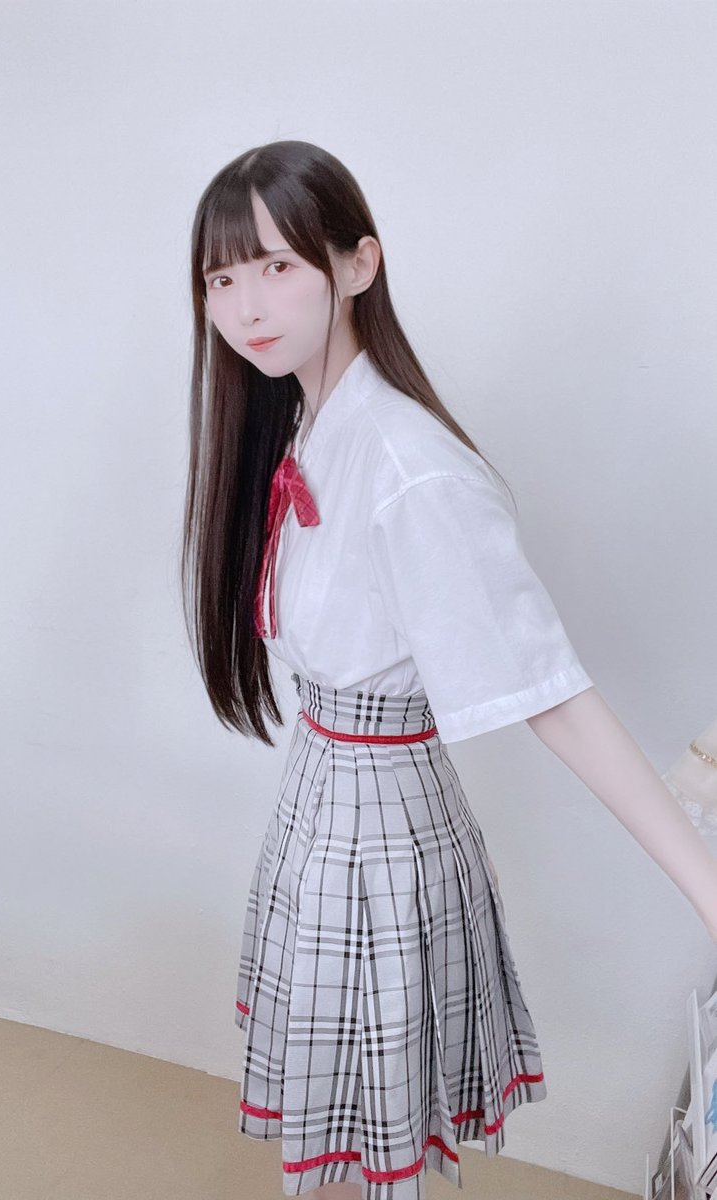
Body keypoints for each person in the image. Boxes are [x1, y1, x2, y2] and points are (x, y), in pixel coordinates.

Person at [180, 140, 717, 1199]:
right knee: (348, 1138)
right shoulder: (311, 425)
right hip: (323, 805)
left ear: (358, 264)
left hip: (377, 838)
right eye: (222, 277)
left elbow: (552, 694)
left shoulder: (409, 469)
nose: (247, 306)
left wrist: (708, 891)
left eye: (278, 266)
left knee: (371, 1146)